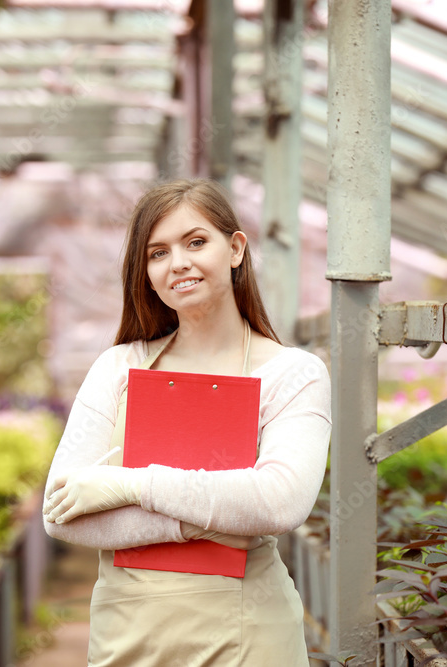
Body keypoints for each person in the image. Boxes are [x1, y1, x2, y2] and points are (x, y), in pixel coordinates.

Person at [42, 178, 332, 666]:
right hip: (128, 640)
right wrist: (216, 520)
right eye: (158, 253)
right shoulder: (118, 368)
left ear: (236, 249)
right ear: (147, 273)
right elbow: (60, 514)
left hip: (249, 639)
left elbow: (279, 502)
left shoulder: (293, 373)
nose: (178, 262)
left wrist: (128, 486)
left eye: (196, 242)